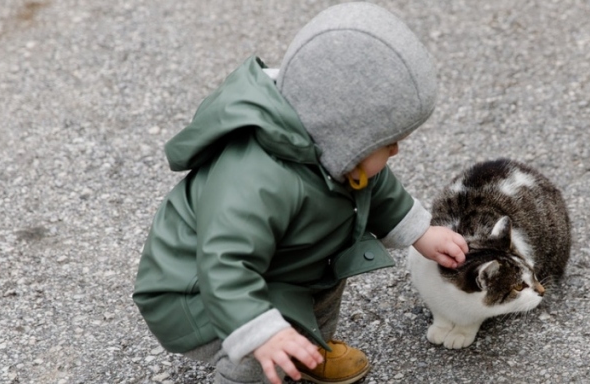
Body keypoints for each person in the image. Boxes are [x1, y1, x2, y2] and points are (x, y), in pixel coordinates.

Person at [131, 3, 468, 383]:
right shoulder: (255, 180)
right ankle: (261, 363)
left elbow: (378, 186)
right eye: (388, 142)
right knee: (262, 355)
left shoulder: (340, 155)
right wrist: (264, 331)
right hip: (197, 290)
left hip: (286, 266)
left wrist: (420, 232)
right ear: (343, 135)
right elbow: (224, 263)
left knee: (326, 283)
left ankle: (309, 351)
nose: (395, 151)